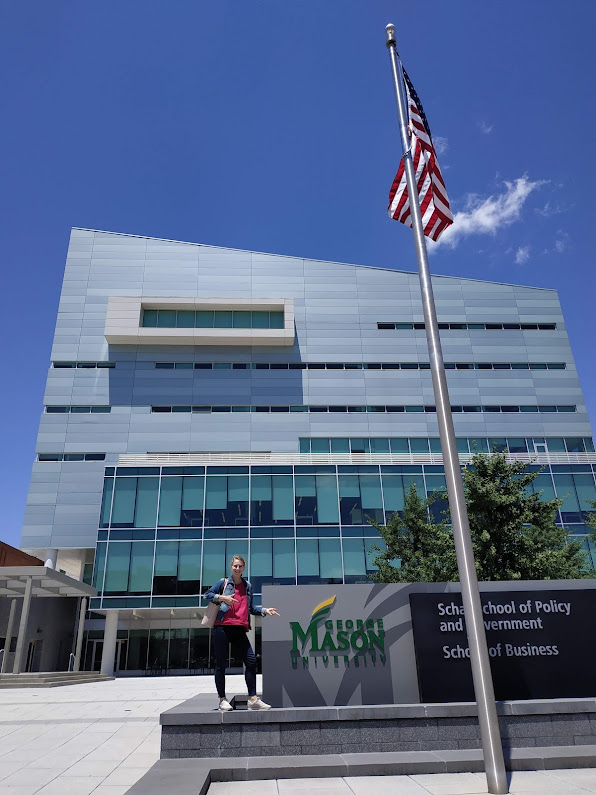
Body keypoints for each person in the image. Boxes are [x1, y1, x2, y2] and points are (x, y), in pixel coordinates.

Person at [205, 554, 280, 711]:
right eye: (235, 566)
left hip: (239, 628)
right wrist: (223, 598)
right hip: (222, 627)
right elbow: (207, 595)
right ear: (231, 567)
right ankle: (222, 699)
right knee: (221, 664)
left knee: (251, 660)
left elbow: (251, 608)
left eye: (240, 566)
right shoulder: (224, 582)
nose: (237, 568)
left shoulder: (247, 586)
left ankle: (252, 699)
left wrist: (265, 610)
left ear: (244, 568)